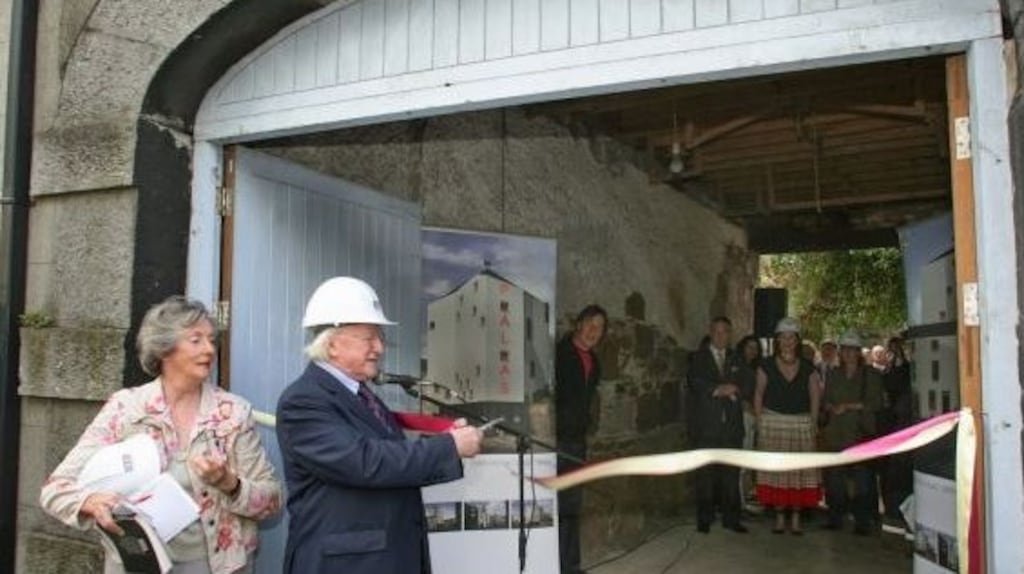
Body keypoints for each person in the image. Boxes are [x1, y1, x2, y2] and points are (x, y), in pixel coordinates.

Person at [40, 296, 282, 574]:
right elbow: (55, 488)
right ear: (165, 349)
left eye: (212, 340)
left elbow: (272, 501)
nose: (209, 349)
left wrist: (230, 483)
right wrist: (89, 503)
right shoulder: (126, 409)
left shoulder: (233, 413)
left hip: (218, 566)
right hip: (139, 566)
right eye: (196, 340)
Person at [276, 277, 483, 574]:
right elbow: (366, 462)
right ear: (332, 345)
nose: (380, 347)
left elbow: (388, 456)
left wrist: (448, 439)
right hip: (347, 563)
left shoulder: (360, 395)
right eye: (369, 337)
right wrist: (449, 446)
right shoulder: (303, 400)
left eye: (380, 337)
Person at [754, 317, 822, 535]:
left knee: (798, 473)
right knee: (777, 472)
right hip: (773, 422)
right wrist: (759, 421)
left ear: (797, 340)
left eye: (791, 337)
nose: (787, 341)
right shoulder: (765, 365)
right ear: (777, 340)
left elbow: (815, 397)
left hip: (801, 424)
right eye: (783, 337)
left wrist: (813, 423)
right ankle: (779, 517)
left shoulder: (809, 367)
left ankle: (796, 518)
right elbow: (758, 394)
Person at [555, 304, 607, 574]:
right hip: (554, 440)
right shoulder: (559, 354)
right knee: (551, 504)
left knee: (572, 505)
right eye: (590, 324)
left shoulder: (595, 363)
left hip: (576, 440)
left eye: (599, 328)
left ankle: (569, 566)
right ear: (578, 323)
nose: (593, 331)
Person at [820, 331, 884, 535]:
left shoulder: (871, 375)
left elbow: (876, 403)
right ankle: (835, 517)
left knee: (862, 479)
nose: (848, 354)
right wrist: (831, 407)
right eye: (845, 349)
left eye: (852, 350)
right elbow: (826, 400)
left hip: (860, 432)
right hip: (836, 433)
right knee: (834, 478)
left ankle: (863, 520)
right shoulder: (833, 374)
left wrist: (848, 406)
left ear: (858, 352)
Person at [688, 317, 747, 533]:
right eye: (717, 332)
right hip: (706, 426)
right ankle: (704, 519)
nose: (721, 336)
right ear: (711, 332)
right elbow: (695, 382)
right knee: (705, 474)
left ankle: (732, 519)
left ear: (730, 334)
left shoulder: (737, 358)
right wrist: (718, 390)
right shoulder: (698, 358)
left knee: (731, 474)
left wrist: (735, 389)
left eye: (726, 332)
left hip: (731, 427)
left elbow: (747, 383)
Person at [735, 334, 762, 505]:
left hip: (750, 415)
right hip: (741, 416)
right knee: (742, 459)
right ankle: (739, 503)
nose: (752, 351)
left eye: (755, 348)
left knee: (747, 457)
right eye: (749, 347)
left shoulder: (752, 368)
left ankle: (743, 498)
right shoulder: (736, 365)